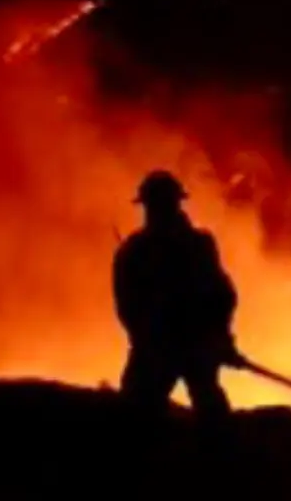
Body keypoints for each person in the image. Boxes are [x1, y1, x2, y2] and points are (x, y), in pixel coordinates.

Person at [113, 169, 243, 434]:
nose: (158, 211)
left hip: (189, 346)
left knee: (209, 413)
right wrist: (146, 338)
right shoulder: (137, 252)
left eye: (161, 205)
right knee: (136, 415)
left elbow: (221, 296)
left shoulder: (193, 246)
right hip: (161, 347)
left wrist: (221, 338)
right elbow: (128, 306)